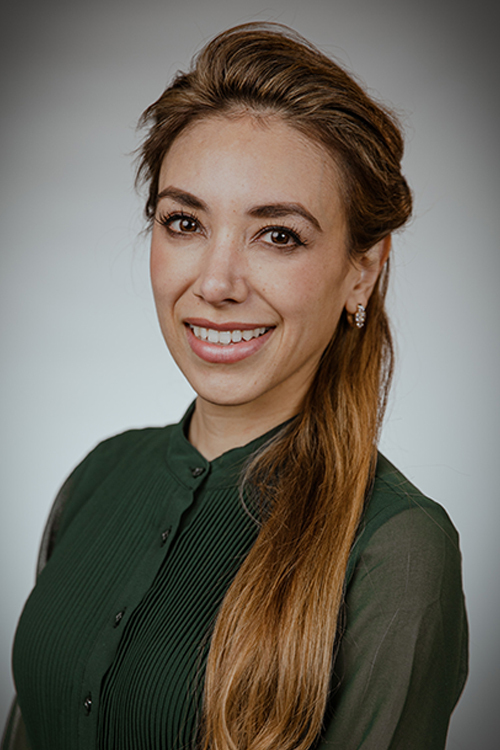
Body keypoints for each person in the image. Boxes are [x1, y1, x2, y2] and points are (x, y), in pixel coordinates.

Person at [3, 22, 468, 750]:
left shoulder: (396, 551)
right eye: (184, 222)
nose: (215, 284)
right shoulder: (97, 479)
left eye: (277, 234)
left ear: (362, 271)